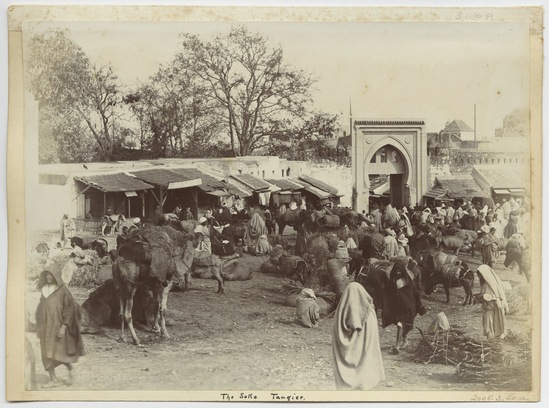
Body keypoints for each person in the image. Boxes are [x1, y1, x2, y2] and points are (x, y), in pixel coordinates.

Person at [35, 268, 85, 388]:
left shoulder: (63, 291)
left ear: (56, 275)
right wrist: (38, 325)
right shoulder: (44, 290)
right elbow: (40, 309)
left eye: (50, 275)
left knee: (59, 351)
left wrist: (64, 326)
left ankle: (70, 369)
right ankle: (53, 380)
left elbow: (69, 309)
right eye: (46, 275)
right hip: (45, 327)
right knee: (46, 353)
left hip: (57, 327)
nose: (48, 278)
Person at [332, 282, 385, 390]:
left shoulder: (342, 310)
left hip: (355, 347)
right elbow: (355, 321)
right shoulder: (369, 312)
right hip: (365, 349)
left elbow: (346, 325)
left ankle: (352, 382)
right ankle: (363, 382)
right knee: (365, 360)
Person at [381, 258, 426, 354]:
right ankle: (405, 340)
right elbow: (389, 295)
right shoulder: (392, 282)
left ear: (402, 271)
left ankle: (397, 346)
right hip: (398, 310)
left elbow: (414, 295)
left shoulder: (408, 282)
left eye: (399, 271)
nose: (397, 273)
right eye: (396, 271)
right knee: (403, 325)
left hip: (409, 308)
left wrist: (419, 307)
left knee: (400, 325)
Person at [475, 265, 508, 339]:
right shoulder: (487, 284)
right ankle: (493, 342)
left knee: (490, 329)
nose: (480, 277)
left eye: (481, 275)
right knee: (491, 329)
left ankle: (492, 343)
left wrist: (481, 297)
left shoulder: (490, 285)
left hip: (491, 311)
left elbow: (492, 298)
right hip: (489, 310)